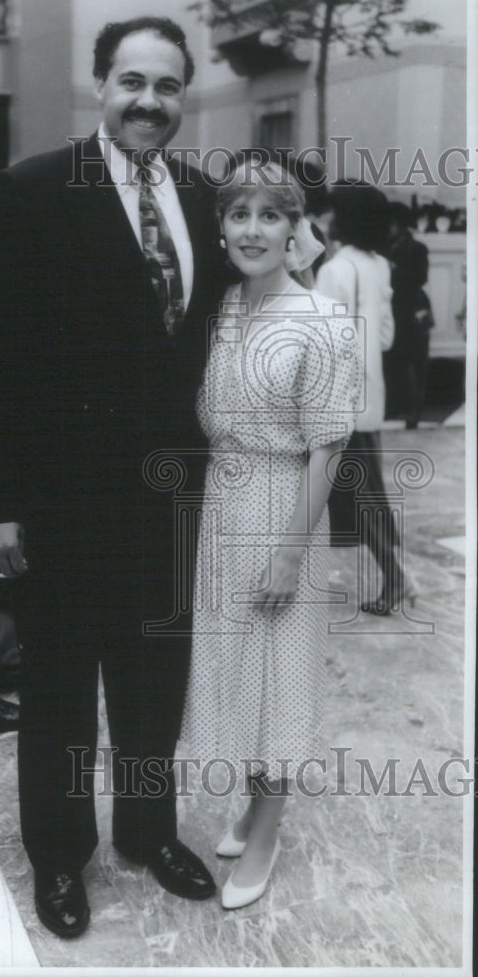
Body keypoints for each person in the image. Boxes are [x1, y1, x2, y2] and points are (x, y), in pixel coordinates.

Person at [0, 16, 221, 938]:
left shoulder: (202, 198)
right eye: (131, 82)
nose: (149, 101)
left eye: (167, 85)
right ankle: (61, 858)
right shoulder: (31, 191)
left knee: (155, 681)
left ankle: (148, 833)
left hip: (168, 503)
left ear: (182, 93)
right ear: (100, 85)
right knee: (64, 691)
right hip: (59, 500)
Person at [181, 159, 360, 910]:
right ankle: (254, 799)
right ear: (219, 227)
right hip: (219, 509)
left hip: (284, 505)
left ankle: (268, 824)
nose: (251, 228)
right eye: (238, 213)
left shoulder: (320, 319)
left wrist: (289, 552)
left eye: (268, 214)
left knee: (281, 672)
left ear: (294, 229)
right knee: (231, 669)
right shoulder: (217, 308)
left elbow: (329, 444)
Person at [316, 182, 417, 614]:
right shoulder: (380, 266)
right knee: (368, 490)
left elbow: (320, 341)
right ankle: (396, 577)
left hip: (338, 397)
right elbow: (388, 336)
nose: (328, 217)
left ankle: (396, 578)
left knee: (357, 494)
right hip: (369, 394)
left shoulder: (334, 269)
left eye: (335, 210)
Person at [383, 201, 433, 429]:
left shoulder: (417, 248)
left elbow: (420, 278)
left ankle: (414, 412)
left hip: (412, 309)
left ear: (401, 225)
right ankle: (394, 408)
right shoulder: (383, 247)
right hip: (394, 309)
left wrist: (394, 269)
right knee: (392, 360)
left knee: (415, 363)